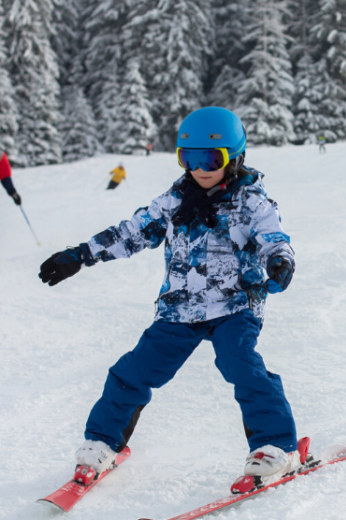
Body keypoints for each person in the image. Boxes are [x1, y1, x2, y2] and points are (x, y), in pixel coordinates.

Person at [38, 107, 300, 489]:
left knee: (241, 365)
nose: (200, 168)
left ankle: (277, 446)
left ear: (234, 157)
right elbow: (131, 232)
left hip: (234, 305)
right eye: (188, 158)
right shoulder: (176, 200)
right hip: (180, 308)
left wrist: (279, 262)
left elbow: (273, 238)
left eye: (211, 158)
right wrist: (81, 254)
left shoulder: (251, 202)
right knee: (133, 371)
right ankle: (103, 442)